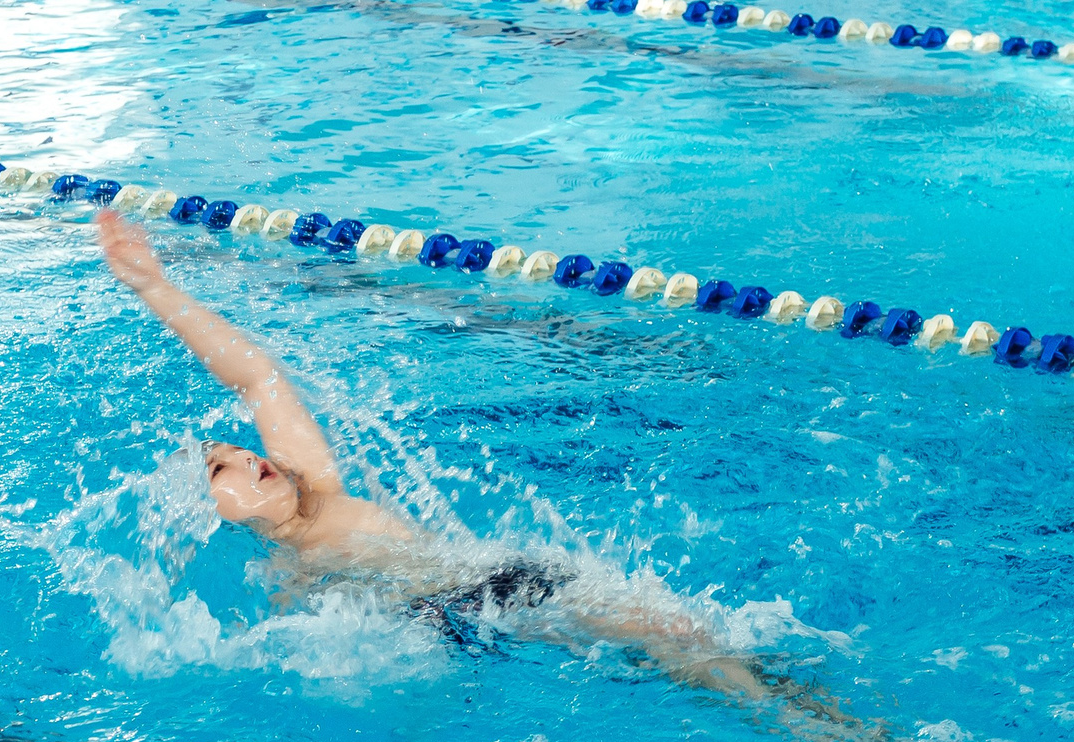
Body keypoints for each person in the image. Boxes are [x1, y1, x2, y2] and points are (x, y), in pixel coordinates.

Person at [88, 211, 861, 713]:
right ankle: (806, 720)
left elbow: (257, 375)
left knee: (684, 644)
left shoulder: (316, 488)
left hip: (507, 583)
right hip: (472, 610)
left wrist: (156, 286)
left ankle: (797, 713)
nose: (250, 456)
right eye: (223, 467)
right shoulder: (288, 580)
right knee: (677, 649)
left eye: (242, 447)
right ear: (211, 511)